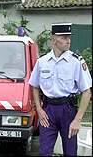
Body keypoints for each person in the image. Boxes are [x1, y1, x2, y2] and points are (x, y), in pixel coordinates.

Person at [29, 23, 92, 156]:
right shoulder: (42, 62)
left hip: (68, 111)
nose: (68, 40)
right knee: (44, 152)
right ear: (53, 40)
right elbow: (34, 86)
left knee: (70, 152)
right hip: (48, 111)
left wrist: (77, 120)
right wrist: (39, 110)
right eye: (63, 37)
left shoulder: (76, 62)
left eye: (69, 37)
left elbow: (86, 92)